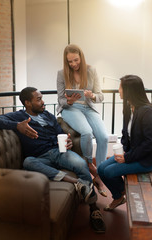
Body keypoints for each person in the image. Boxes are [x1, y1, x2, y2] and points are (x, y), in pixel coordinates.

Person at [0, 87, 106, 233]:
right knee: (28, 162)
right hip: (40, 158)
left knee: (80, 163)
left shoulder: (47, 115)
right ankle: (77, 184)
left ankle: (94, 209)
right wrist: (17, 126)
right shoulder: (18, 117)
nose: (43, 102)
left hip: (59, 152)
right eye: (38, 99)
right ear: (27, 103)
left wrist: (68, 143)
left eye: (42, 98)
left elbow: (60, 134)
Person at [57, 44, 108, 197]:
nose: (73, 64)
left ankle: (101, 171)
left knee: (103, 137)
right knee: (87, 132)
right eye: (70, 61)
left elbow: (100, 96)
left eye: (76, 60)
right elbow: (60, 100)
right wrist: (70, 101)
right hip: (70, 109)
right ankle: (89, 165)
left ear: (81, 57)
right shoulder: (61, 74)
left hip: (88, 107)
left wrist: (91, 95)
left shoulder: (91, 71)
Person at [98, 75, 152, 211]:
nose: (119, 91)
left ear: (129, 91)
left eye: (121, 88)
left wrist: (127, 157)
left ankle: (120, 195)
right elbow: (125, 133)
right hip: (130, 153)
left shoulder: (147, 112)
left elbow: (150, 143)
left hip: (145, 160)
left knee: (109, 172)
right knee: (100, 169)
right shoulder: (129, 107)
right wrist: (123, 150)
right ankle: (120, 195)